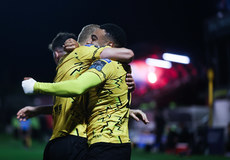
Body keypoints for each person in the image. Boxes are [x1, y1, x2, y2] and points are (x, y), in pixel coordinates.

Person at [19, 24, 148, 160]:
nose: (91, 44)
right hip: (110, 144)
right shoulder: (108, 69)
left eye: (93, 40)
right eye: (90, 41)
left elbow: (77, 88)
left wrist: (36, 86)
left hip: (93, 143)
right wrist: (38, 110)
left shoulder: (97, 60)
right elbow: (84, 105)